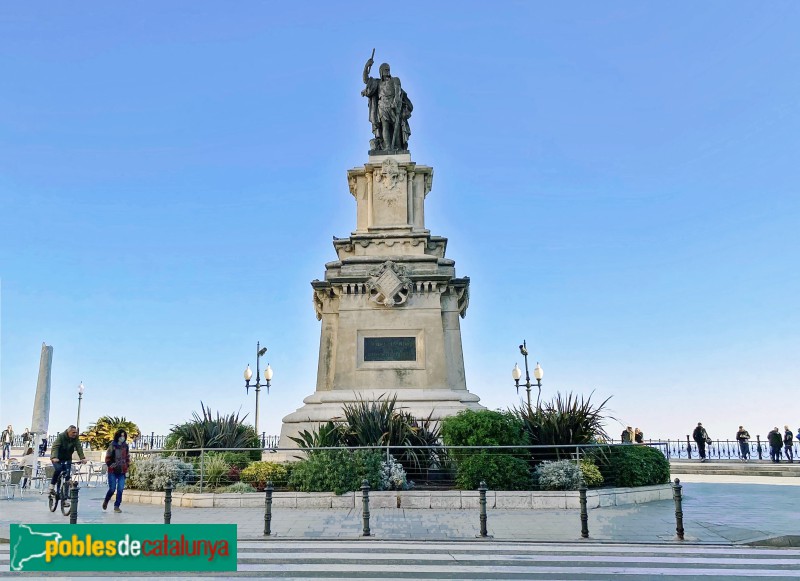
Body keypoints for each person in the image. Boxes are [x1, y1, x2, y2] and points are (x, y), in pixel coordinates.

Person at [361, 55, 413, 153]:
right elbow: (366, 80)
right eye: (384, 70)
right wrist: (366, 66)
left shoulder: (395, 80)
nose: (387, 71)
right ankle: (388, 147)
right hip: (382, 106)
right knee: (385, 126)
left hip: (393, 105)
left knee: (396, 126)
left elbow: (398, 92)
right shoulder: (377, 82)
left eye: (388, 69)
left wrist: (396, 102)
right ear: (381, 72)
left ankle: (397, 147)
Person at [49, 425, 87, 494]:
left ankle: (65, 495)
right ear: (68, 432)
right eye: (73, 432)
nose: (75, 434)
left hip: (67, 458)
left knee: (67, 475)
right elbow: (55, 447)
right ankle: (51, 486)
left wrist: (82, 458)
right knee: (58, 469)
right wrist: (54, 457)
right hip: (57, 458)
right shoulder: (61, 436)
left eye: (76, 433)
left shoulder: (76, 438)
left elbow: (79, 448)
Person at [103, 429, 130, 513]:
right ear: (117, 436)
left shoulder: (125, 446)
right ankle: (106, 500)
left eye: (124, 436)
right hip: (113, 471)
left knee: (120, 489)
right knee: (112, 489)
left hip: (122, 471)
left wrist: (127, 468)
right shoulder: (112, 445)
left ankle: (117, 506)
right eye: (121, 436)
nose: (122, 438)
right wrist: (112, 466)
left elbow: (127, 458)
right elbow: (108, 458)